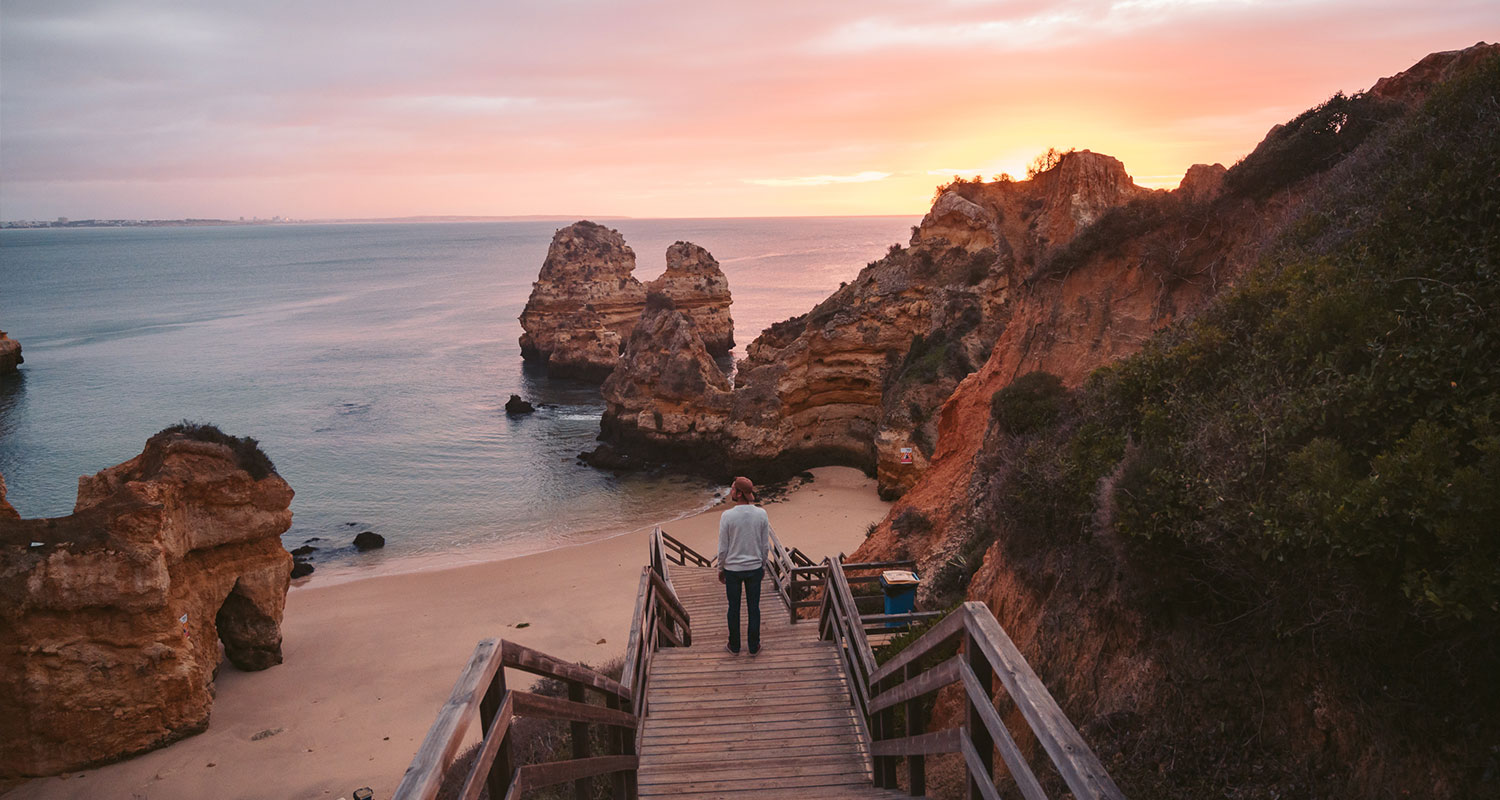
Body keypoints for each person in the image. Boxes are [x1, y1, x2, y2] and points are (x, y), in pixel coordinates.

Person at [718, 476, 771, 655]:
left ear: (739, 493)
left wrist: (720, 568)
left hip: (732, 569)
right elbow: (765, 546)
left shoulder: (727, 516)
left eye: (733, 489)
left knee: (734, 608)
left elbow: (723, 548)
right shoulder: (761, 514)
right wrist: (763, 565)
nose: (731, 491)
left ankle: (734, 646)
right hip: (754, 568)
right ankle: (754, 646)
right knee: (753, 608)